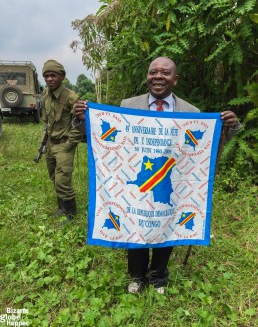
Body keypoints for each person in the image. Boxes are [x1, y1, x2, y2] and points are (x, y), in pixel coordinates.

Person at [73, 57, 241, 293]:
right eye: (153, 72)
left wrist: (228, 127)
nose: (158, 76)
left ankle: (158, 276)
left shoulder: (191, 111)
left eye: (165, 72)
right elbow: (106, 136)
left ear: (175, 79)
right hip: (139, 178)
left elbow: (208, 144)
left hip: (171, 180)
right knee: (136, 223)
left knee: (167, 223)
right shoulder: (128, 105)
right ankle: (137, 276)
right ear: (147, 76)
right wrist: (83, 119)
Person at [42, 59, 83, 222]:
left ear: (62, 76)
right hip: (51, 144)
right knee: (54, 177)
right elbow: (48, 121)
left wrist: (69, 144)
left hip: (64, 145)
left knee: (63, 181)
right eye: (46, 76)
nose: (49, 79)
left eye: (53, 75)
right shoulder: (46, 94)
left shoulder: (71, 97)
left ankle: (71, 215)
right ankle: (61, 208)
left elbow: (79, 122)